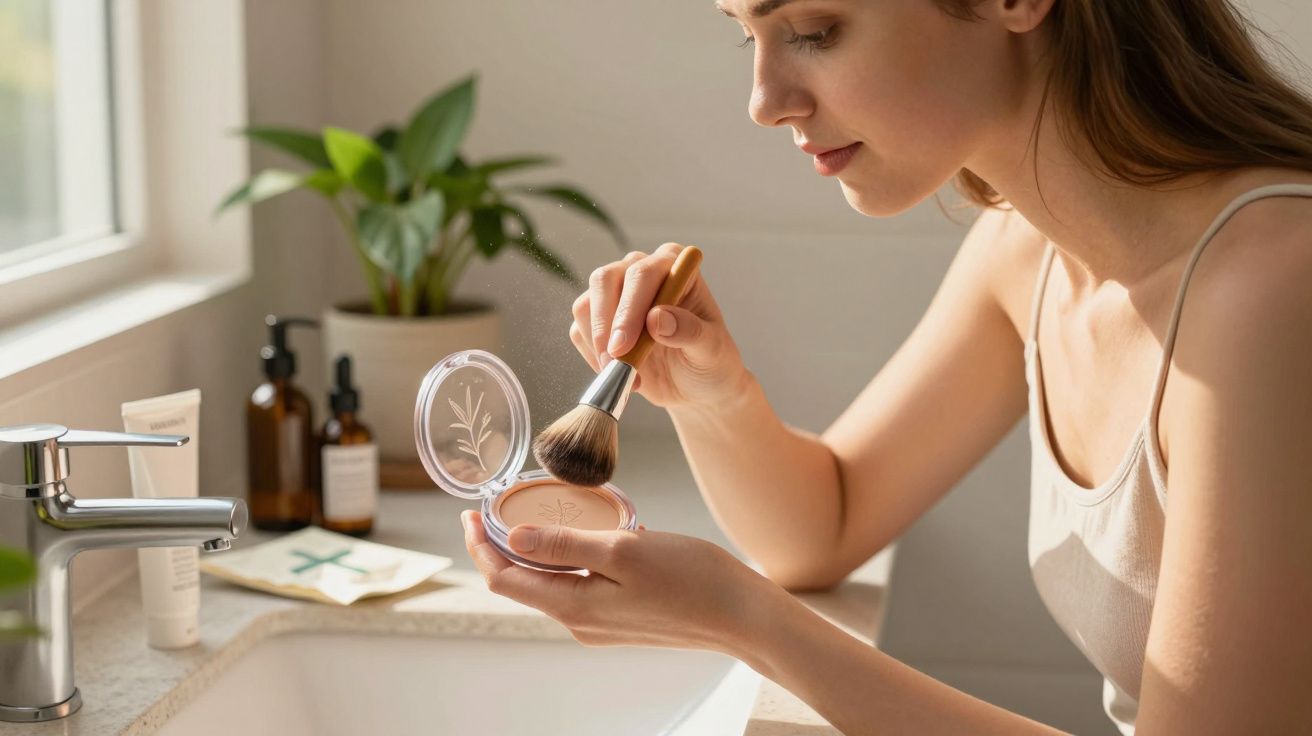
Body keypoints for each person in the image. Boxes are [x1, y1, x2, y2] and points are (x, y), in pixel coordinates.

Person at [462, 0, 1312, 732]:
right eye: (747, 34)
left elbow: (785, 580)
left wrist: (748, 623)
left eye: (817, 30)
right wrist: (712, 394)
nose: (764, 101)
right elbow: (821, 529)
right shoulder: (1030, 250)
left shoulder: (1274, 289)